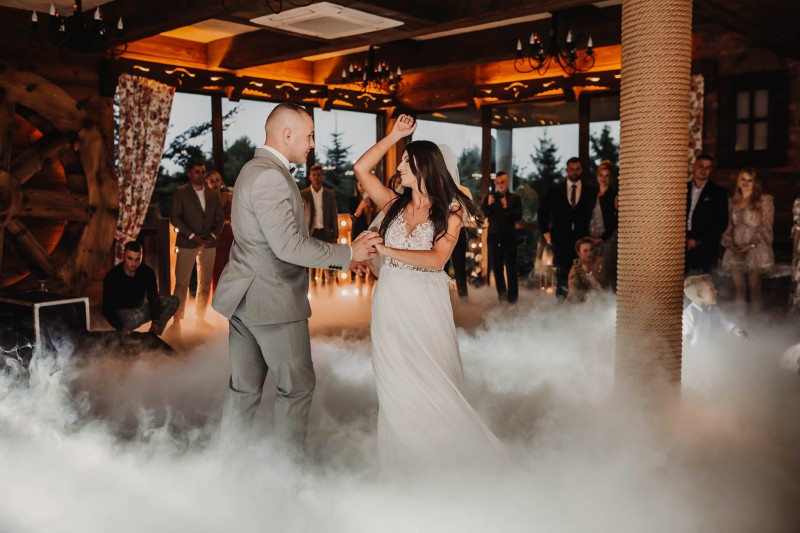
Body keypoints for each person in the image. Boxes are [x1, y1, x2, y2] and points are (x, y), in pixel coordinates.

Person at [211, 103, 381, 449]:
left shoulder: (251, 169)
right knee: (297, 388)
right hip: (272, 300)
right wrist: (348, 253)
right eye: (309, 135)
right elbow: (288, 246)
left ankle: (228, 461)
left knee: (244, 390)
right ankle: (289, 468)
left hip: (245, 296)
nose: (313, 144)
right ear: (287, 134)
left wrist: (343, 259)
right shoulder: (270, 177)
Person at [353, 114, 503, 472]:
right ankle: (403, 463)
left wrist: (384, 250)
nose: (399, 167)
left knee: (430, 376)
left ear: (423, 167)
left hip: (425, 302)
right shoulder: (393, 205)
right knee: (394, 379)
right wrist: (395, 136)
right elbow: (361, 168)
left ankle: (444, 459)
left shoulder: (450, 213)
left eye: (406, 162)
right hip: (390, 300)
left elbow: (436, 260)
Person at [170, 162, 225, 329]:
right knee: (182, 283)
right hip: (187, 242)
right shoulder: (181, 192)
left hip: (209, 243)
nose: (201, 174)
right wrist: (193, 236)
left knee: (205, 283)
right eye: (197, 172)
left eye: (202, 172)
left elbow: (220, 218)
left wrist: (213, 236)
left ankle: (200, 318)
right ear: (190, 174)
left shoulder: (212, 194)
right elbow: (175, 217)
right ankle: (177, 321)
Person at [538, 157, 598, 301]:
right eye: (572, 169)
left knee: (582, 274)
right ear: (566, 170)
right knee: (561, 274)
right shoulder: (555, 190)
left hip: (582, 240)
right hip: (560, 239)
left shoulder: (590, 191)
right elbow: (542, 212)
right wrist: (546, 233)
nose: (574, 172)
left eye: (577, 169)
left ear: (581, 170)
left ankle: (580, 306)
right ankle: (561, 305)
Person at [720, 169, 774, 314]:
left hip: (756, 248)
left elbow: (766, 227)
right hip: (736, 248)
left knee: (754, 288)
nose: (746, 183)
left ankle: (757, 324)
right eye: (743, 179)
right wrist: (730, 244)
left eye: (750, 180)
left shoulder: (764, 200)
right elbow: (730, 227)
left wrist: (750, 245)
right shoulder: (733, 202)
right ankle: (741, 322)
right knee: (739, 288)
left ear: (755, 183)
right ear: (738, 181)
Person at [102, 241, 179, 336]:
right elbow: (107, 308)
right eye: (130, 258)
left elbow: (153, 297)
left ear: (141, 257)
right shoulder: (112, 276)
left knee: (173, 301)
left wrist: (155, 321)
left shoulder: (147, 272)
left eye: (137, 259)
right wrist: (120, 327)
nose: (133, 263)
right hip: (122, 313)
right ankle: (127, 337)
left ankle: (153, 334)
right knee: (136, 317)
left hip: (141, 309)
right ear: (123, 256)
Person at [482, 171, 523, 302]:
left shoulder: (515, 198)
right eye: (497, 182)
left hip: (509, 237)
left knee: (511, 268)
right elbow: (483, 214)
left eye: (502, 182)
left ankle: (513, 298)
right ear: (495, 183)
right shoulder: (490, 198)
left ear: (507, 182)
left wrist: (506, 207)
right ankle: (502, 297)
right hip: (493, 237)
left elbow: (518, 216)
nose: (500, 184)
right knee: (497, 268)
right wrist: (488, 205)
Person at [439, 143, 473, 297]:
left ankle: (463, 297)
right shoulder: (436, 190)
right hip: (439, 231)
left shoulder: (464, 191)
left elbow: (467, 214)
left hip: (459, 231)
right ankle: (442, 296)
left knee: (460, 267)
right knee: (442, 267)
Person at [686, 154, 728, 274]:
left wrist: (698, 240)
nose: (703, 170)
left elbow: (721, 223)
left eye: (708, 167)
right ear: (694, 167)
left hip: (705, 247)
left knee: (702, 282)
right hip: (679, 245)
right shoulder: (681, 189)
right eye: (701, 166)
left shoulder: (718, 192)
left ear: (711, 171)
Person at [683, 274, 747, 348]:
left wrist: (735, 329)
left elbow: (725, 323)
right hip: (696, 352)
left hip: (712, 350)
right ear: (699, 295)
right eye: (711, 289)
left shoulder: (715, 310)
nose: (716, 291)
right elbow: (685, 339)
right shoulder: (688, 315)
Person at [301, 164, 339, 285]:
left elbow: (334, 215)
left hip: (326, 233)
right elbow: (300, 216)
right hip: (310, 234)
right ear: (310, 177)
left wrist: (335, 235)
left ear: (322, 176)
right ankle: (313, 292)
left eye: (318, 175)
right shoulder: (303, 194)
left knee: (329, 266)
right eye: (314, 175)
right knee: (311, 267)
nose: (316, 177)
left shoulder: (329, 194)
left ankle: (330, 292)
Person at [588, 161, 618, 290]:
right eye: (601, 175)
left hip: (607, 237)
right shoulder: (591, 194)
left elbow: (614, 221)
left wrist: (602, 238)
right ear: (597, 176)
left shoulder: (614, 195)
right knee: (591, 269)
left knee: (607, 268)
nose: (603, 178)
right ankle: (593, 298)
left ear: (611, 178)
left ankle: (608, 297)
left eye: (607, 176)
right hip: (591, 235)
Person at [207, 170, 234, 292]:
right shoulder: (205, 199)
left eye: (217, 180)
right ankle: (217, 297)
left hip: (229, 236)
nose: (215, 183)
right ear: (207, 183)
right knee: (216, 270)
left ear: (221, 182)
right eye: (212, 181)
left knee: (230, 268)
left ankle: (231, 297)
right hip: (213, 237)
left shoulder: (230, 196)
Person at [566, 237, 605, 304]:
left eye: (591, 250)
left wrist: (587, 275)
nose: (589, 254)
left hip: (599, 298)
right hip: (582, 300)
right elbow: (572, 292)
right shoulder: (578, 264)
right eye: (585, 251)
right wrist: (570, 277)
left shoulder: (600, 262)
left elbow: (602, 289)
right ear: (578, 253)